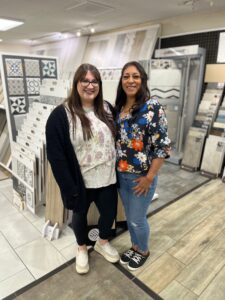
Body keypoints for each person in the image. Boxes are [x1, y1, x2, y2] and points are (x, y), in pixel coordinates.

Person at [46, 63, 120, 275]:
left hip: (107, 177)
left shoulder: (106, 108)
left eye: (94, 81)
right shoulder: (61, 115)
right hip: (81, 181)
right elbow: (56, 156)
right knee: (79, 216)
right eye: (85, 80)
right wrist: (69, 186)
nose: (90, 85)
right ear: (76, 83)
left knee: (108, 214)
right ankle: (81, 247)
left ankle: (102, 242)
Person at [115, 61, 170, 271]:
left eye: (135, 76)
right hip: (122, 176)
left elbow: (162, 146)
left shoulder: (153, 106)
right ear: (121, 81)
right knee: (130, 218)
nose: (130, 80)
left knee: (138, 219)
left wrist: (149, 177)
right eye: (126, 76)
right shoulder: (120, 107)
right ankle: (135, 246)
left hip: (142, 178)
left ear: (143, 79)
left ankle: (144, 250)